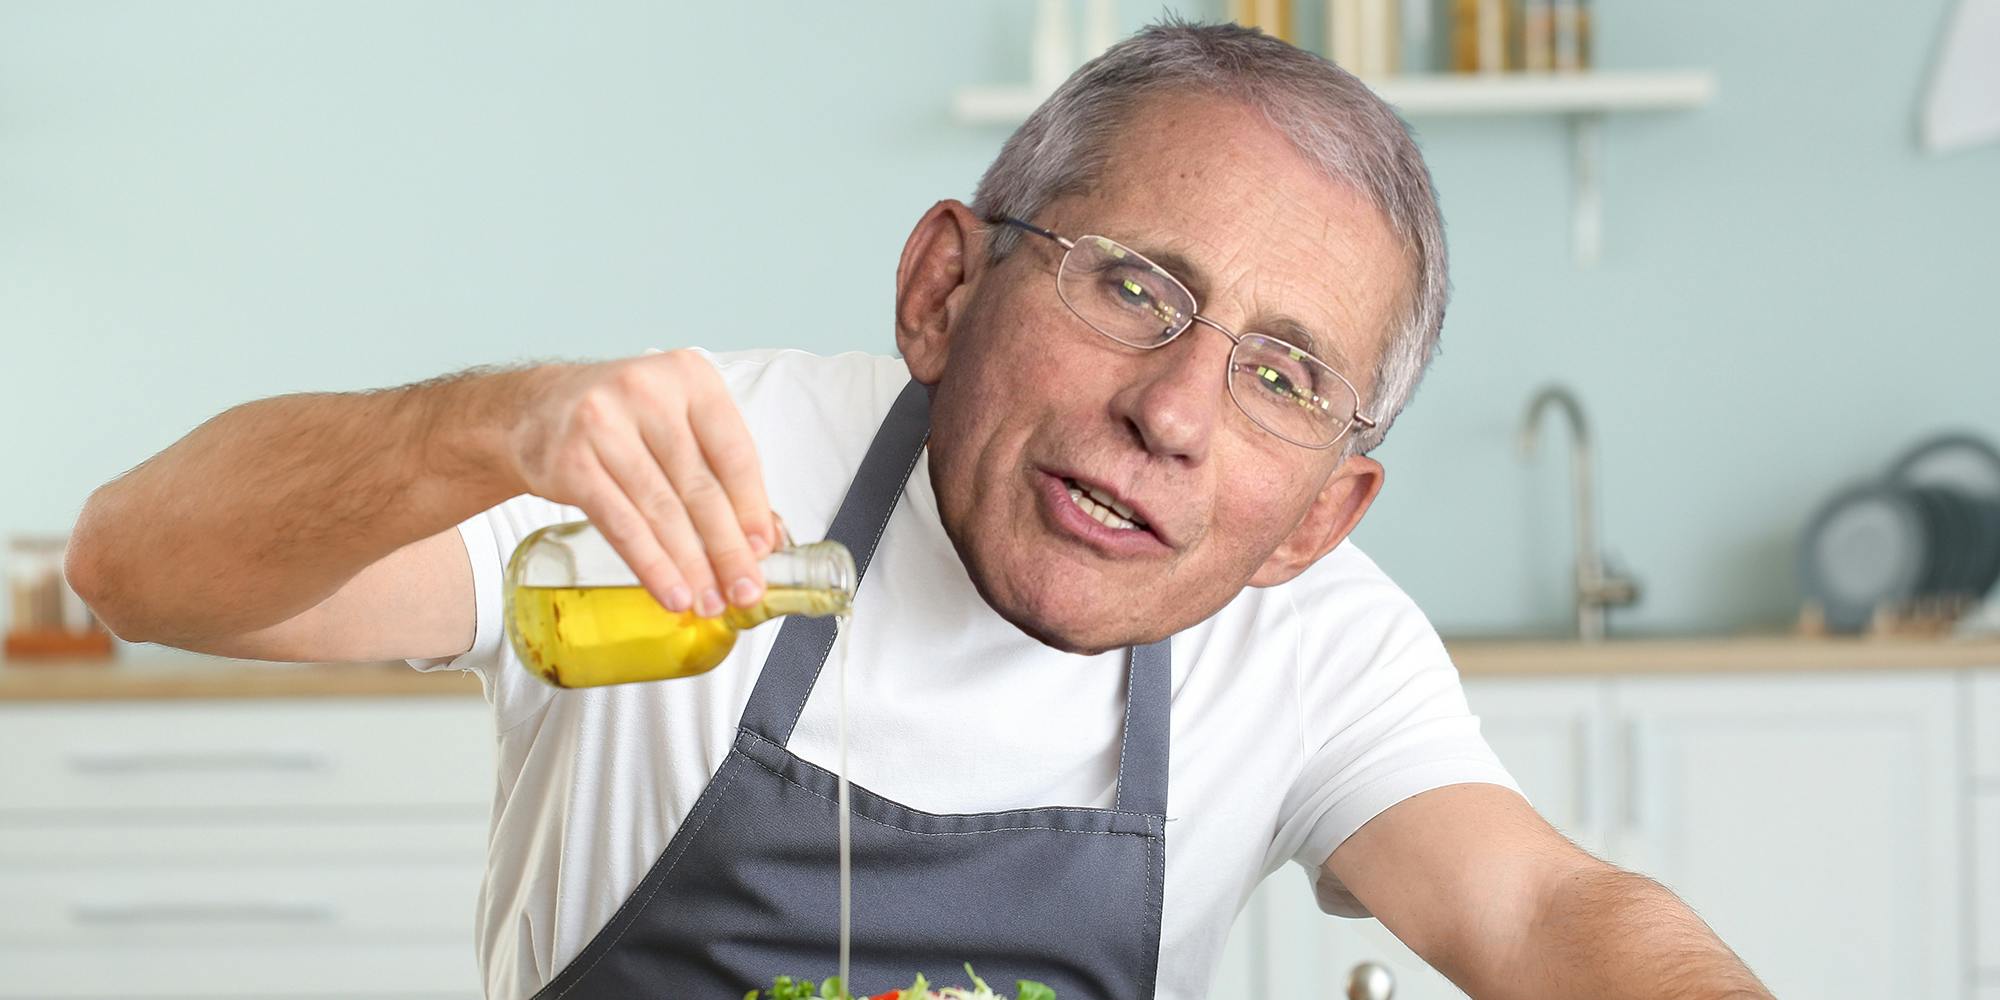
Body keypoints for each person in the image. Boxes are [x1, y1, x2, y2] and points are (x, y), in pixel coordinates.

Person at [66, 20, 1772, 1000]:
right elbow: (135, 565)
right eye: (1131, 288)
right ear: (943, 287)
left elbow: (1546, 915)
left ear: (1325, 513)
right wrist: (486, 428)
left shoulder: (1312, 642)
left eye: (1280, 377)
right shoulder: (679, 466)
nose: (1173, 411)